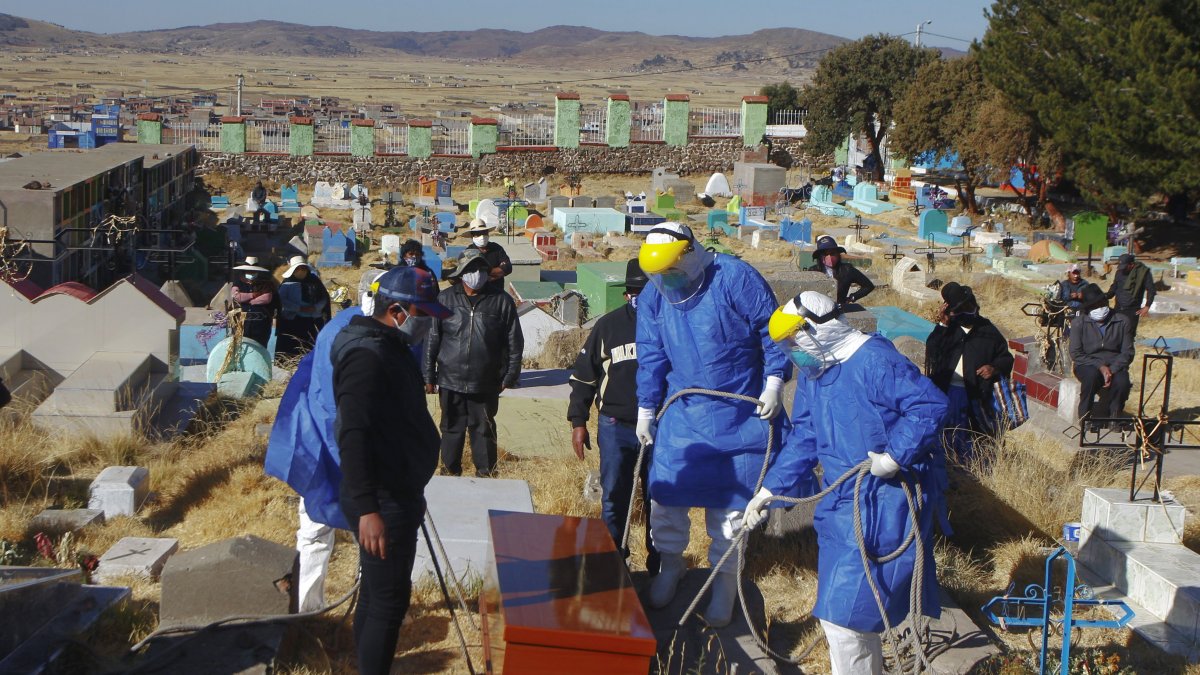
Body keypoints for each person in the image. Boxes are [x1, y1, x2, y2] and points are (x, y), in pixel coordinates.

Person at [744, 291, 948, 675]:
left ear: (817, 331)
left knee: (845, 618)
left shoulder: (874, 360)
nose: (793, 354)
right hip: (841, 507)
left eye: (793, 343)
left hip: (885, 506)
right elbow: (806, 436)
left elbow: (929, 405)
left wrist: (894, 456)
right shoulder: (817, 371)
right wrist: (770, 491)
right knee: (851, 621)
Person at [635, 222, 789, 627]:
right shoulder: (655, 296)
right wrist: (646, 408)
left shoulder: (734, 278)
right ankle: (671, 565)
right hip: (683, 416)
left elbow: (773, 332)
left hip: (739, 415)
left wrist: (775, 382)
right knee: (666, 499)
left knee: (730, 511)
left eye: (672, 270)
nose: (667, 281)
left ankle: (723, 583)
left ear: (690, 255)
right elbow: (651, 354)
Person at [333, 265, 450, 675]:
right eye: (424, 316)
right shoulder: (367, 357)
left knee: (380, 595)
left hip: (396, 490)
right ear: (398, 311)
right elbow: (353, 435)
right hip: (381, 499)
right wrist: (368, 509)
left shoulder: (387, 345)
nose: (428, 326)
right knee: (388, 600)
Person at [567, 258, 659, 574]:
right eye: (633, 291)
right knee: (614, 498)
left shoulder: (669, 325)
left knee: (658, 501)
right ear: (625, 295)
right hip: (615, 426)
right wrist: (578, 422)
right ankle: (614, 562)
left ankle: (659, 564)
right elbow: (584, 377)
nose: (639, 296)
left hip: (660, 427)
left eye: (645, 290)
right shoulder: (608, 326)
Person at [424, 249, 523, 477]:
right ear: (461, 273)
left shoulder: (502, 302)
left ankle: (486, 476)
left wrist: (510, 374)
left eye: (481, 269)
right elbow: (432, 338)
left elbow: (514, 342)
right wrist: (429, 375)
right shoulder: (444, 299)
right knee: (451, 429)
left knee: (484, 430)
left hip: (486, 381)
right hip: (450, 380)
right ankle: (449, 474)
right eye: (471, 269)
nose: (476, 274)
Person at [924, 282, 1013, 458]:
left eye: (969, 307)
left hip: (976, 396)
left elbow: (1006, 358)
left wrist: (994, 368)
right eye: (961, 309)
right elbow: (932, 350)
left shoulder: (988, 330)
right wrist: (942, 326)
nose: (967, 312)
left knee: (973, 438)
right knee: (946, 435)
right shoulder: (949, 330)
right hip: (948, 393)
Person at [1070, 284, 1135, 422]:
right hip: (1087, 363)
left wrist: (1112, 369)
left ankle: (1115, 416)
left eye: (1102, 303)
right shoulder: (1079, 323)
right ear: (1087, 309)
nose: (1099, 308)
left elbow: (1127, 352)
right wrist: (1100, 366)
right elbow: (1076, 353)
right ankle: (1085, 417)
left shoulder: (1122, 321)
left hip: (1114, 363)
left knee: (1122, 382)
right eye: (1094, 306)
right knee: (1091, 378)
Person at [276, 256, 331, 359]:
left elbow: (324, 298)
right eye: (297, 269)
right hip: (292, 322)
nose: (301, 271)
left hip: (313, 321)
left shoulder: (315, 282)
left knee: (310, 346)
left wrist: (315, 308)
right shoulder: (287, 283)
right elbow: (281, 301)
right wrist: (298, 308)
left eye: (303, 268)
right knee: (292, 347)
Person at [807, 235, 874, 305]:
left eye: (832, 253)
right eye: (825, 254)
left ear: (838, 254)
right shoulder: (813, 271)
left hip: (840, 310)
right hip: (817, 310)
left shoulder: (847, 270)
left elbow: (868, 286)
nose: (829, 257)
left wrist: (852, 297)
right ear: (820, 256)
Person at [230, 257, 280, 349]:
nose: (251, 273)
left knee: (260, 346)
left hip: (261, 323)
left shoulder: (266, 284)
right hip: (241, 322)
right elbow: (236, 296)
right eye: (249, 271)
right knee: (240, 347)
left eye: (253, 271)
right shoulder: (238, 283)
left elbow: (267, 298)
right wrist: (253, 295)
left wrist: (249, 301)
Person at [1106, 253, 1155, 337]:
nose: (1122, 269)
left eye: (1125, 267)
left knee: (1129, 335)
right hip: (1118, 308)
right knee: (1115, 334)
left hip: (1132, 310)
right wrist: (1106, 296)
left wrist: (1147, 306)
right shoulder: (1119, 272)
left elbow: (1151, 290)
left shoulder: (1143, 273)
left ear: (1131, 265)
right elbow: (1115, 286)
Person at [464, 218, 512, 293]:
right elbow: (471, 275)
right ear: (472, 236)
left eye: (484, 233)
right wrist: (498, 271)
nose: (482, 236)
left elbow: (508, 267)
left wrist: (485, 272)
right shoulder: (468, 252)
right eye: (478, 234)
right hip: (478, 295)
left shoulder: (497, 248)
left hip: (497, 293)